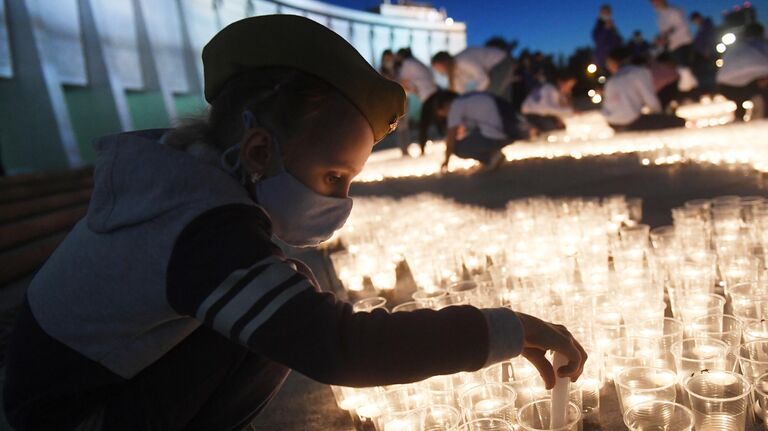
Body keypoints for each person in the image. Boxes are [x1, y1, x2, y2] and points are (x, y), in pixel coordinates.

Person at [3, 15, 587, 431]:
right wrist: (507, 329)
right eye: (335, 177)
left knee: (278, 300)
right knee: (289, 314)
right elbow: (339, 348)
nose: (343, 199)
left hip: (68, 392)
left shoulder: (178, 181)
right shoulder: (201, 229)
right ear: (258, 151)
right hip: (74, 417)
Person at [425, 90, 532, 171]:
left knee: (458, 148)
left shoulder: (455, 106)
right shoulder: (469, 98)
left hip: (499, 135)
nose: (446, 117)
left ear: (444, 106)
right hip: (512, 131)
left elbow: (451, 140)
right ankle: (493, 155)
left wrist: (446, 161)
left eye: (443, 115)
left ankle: (491, 157)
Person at [602, 47, 685, 131]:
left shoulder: (611, 80)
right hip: (631, 121)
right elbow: (649, 98)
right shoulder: (639, 72)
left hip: (612, 122)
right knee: (680, 121)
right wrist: (660, 116)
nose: (609, 67)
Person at [716, 23, 768, 121]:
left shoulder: (735, 46)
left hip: (724, 86)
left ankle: (739, 115)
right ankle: (760, 107)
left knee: (741, 92)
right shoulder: (762, 43)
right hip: (752, 86)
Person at [394, 48, 438, 156]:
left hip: (427, 94)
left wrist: (407, 89)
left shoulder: (407, 63)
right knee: (433, 121)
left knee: (424, 124)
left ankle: (423, 149)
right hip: (432, 91)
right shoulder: (415, 61)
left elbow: (402, 80)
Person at [431, 46, 515, 99]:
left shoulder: (463, 61)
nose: (439, 72)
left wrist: (473, 96)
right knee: (496, 97)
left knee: (491, 97)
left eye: (438, 68)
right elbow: (459, 91)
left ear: (444, 62)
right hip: (490, 71)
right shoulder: (455, 72)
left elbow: (484, 80)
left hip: (500, 62)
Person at [650, 0, 694, 67]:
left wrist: (667, 36)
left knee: (690, 69)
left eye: (655, 1)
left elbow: (683, 27)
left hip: (684, 45)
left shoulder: (674, 10)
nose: (654, 3)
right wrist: (660, 39)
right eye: (652, 2)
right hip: (673, 48)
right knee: (683, 72)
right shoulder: (659, 17)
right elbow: (664, 33)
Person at [690, 11, 717, 91]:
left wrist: (707, 49)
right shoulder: (701, 27)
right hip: (701, 54)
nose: (695, 23)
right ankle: (708, 90)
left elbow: (710, 37)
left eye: (694, 20)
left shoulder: (707, 25)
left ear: (698, 18)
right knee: (704, 72)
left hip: (707, 52)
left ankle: (713, 89)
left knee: (710, 71)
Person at [592, 4, 622, 70]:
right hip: (603, 62)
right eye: (604, 13)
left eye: (608, 13)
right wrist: (605, 28)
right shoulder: (598, 27)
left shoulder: (613, 28)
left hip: (616, 59)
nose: (607, 15)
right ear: (600, 14)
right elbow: (598, 40)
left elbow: (619, 41)